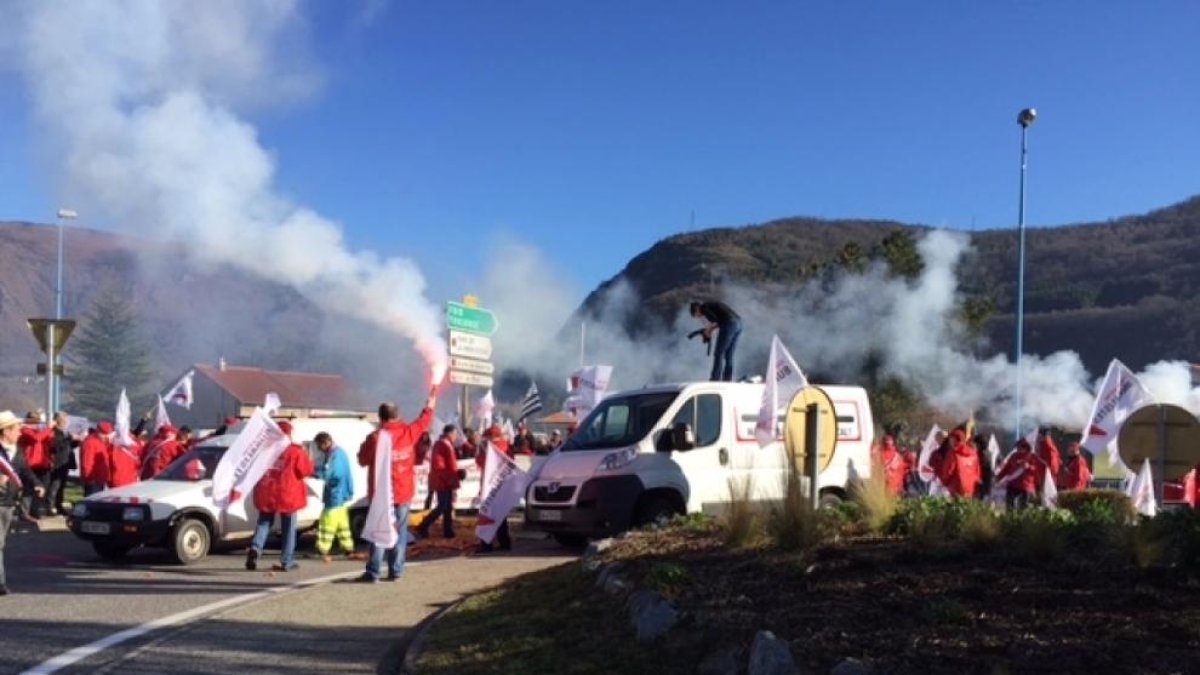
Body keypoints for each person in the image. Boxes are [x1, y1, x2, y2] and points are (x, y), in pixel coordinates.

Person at [356, 393, 435, 583]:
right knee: (399, 532)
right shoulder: (408, 432)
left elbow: (362, 460)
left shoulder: (375, 438)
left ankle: (374, 571)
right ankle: (396, 570)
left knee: (379, 529)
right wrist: (430, 405)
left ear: (380, 417)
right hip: (403, 491)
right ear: (397, 415)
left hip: (381, 494)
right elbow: (423, 421)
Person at [246, 421, 313, 572]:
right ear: (289, 433)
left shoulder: (265, 449)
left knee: (264, 522)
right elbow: (306, 471)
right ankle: (287, 560)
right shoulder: (295, 451)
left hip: (267, 490)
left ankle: (256, 548)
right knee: (288, 527)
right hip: (287, 493)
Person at [0, 411, 46, 595]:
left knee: (1, 542)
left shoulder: (17, 450)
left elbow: (25, 471)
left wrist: (36, 484)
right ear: (5, 431)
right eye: (16, 429)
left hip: (8, 502)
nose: (20, 432)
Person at [312, 432, 356, 562]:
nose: (318, 449)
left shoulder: (334, 455)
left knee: (327, 519)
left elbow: (328, 473)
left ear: (325, 443)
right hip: (341, 492)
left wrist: (312, 472)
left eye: (319, 446)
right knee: (342, 522)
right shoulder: (338, 453)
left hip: (336, 491)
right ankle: (348, 547)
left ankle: (322, 548)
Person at [418, 425, 461, 540]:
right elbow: (440, 465)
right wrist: (451, 478)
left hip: (445, 479)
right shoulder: (443, 444)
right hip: (443, 480)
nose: (456, 437)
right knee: (443, 506)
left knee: (447, 507)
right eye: (455, 434)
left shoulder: (443, 444)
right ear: (450, 433)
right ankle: (424, 525)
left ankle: (448, 530)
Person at [476, 425, 513, 553]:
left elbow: (481, 463)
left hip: (490, 486)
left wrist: (480, 451)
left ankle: (486, 544)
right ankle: (505, 542)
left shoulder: (490, 449)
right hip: (502, 486)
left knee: (487, 516)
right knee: (501, 517)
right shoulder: (506, 446)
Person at [689, 299, 743, 382]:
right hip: (739, 323)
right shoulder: (710, 305)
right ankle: (727, 378)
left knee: (719, 353)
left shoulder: (704, 308)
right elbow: (718, 322)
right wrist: (709, 330)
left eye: (696, 315)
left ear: (696, 309)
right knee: (729, 354)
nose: (700, 317)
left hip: (729, 324)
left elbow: (715, 321)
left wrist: (708, 330)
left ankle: (715, 378)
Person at [18, 412, 54, 518]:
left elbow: (47, 444)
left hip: (42, 464)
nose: (35, 424)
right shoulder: (25, 431)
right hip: (30, 465)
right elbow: (36, 439)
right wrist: (48, 428)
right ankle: (24, 512)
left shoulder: (39, 432)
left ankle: (35, 510)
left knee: (42, 488)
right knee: (28, 489)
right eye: (33, 421)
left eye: (36, 421)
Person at [994, 439, 1045, 511]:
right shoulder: (1014, 456)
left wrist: (1028, 467)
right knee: (1009, 505)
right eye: (1017, 447)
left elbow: (1037, 470)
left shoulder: (1032, 457)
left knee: (1023, 507)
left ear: (1025, 447)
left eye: (1019, 447)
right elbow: (1007, 468)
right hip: (1013, 484)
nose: (1017, 449)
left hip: (1025, 486)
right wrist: (998, 477)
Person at [936, 429, 981, 498]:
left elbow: (948, 470)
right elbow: (977, 471)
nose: (949, 442)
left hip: (955, 486)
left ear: (955, 439)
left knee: (954, 507)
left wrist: (944, 482)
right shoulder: (973, 453)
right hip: (970, 486)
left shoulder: (953, 452)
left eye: (951, 439)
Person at [47, 412, 77, 515]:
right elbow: (55, 445)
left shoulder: (66, 432)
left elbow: (68, 446)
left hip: (65, 462)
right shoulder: (54, 432)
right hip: (57, 463)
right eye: (65, 419)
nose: (67, 422)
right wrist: (69, 439)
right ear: (59, 421)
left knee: (61, 486)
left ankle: (59, 505)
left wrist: (76, 441)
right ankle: (50, 506)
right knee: (55, 486)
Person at [80, 422, 114, 495]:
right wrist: (89, 478)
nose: (106, 436)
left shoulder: (100, 442)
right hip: (93, 480)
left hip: (100, 479)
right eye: (104, 434)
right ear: (98, 432)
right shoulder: (90, 442)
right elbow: (87, 462)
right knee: (92, 500)